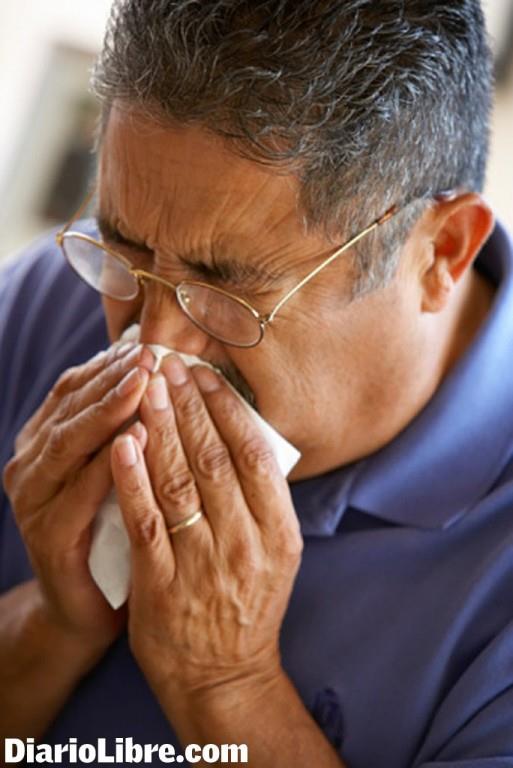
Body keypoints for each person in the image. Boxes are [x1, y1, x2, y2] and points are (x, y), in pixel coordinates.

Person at [1, 1, 512, 766]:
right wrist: (52, 624)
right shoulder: (48, 300)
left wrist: (224, 684)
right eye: (125, 248)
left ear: (439, 252)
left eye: (226, 290)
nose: (154, 348)